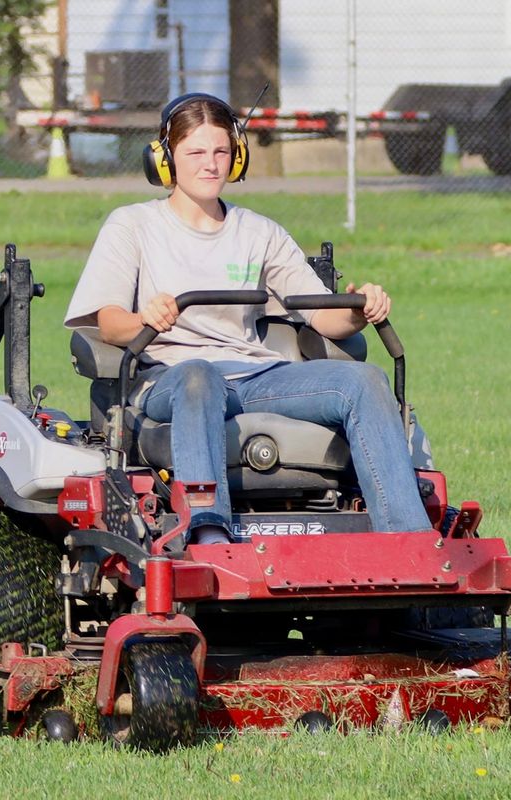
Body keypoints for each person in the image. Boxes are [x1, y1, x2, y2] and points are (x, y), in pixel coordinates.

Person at [64, 93, 431, 543]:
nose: (210, 164)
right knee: (199, 375)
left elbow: (323, 316)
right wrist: (145, 318)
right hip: (170, 377)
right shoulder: (132, 226)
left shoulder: (260, 232)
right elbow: (108, 323)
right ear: (165, 159)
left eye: (221, 151)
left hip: (256, 377)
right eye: (196, 153)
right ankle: (209, 534)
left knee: (364, 380)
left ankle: (410, 543)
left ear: (237, 157)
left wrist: (359, 309)